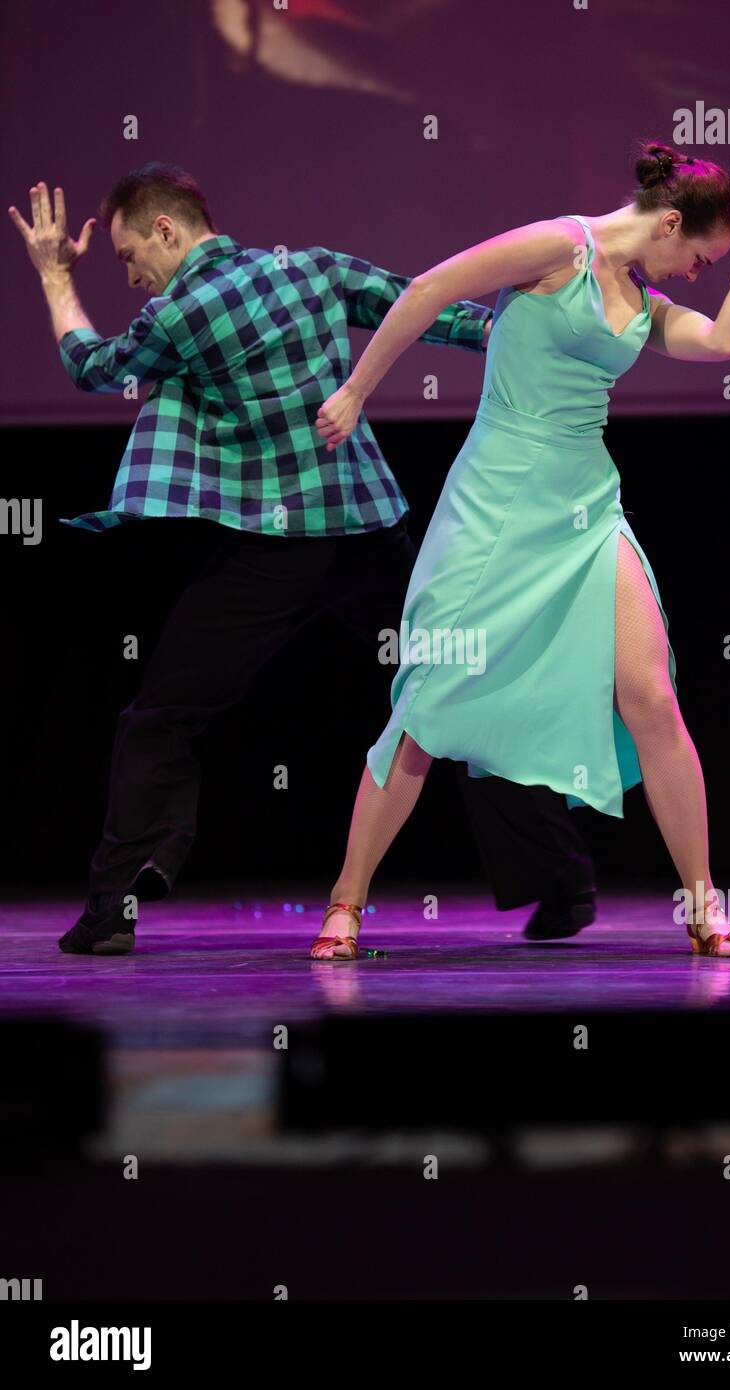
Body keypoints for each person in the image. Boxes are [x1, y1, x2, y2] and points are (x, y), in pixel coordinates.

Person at [8, 162, 598, 955]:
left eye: (125, 256)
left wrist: (53, 275)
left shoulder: (180, 312)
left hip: (270, 554)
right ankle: (562, 884)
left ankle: (116, 904)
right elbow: (428, 309)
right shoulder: (314, 268)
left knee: (163, 716)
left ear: (166, 231)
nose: (130, 274)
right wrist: (539, 329)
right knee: (463, 693)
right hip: (365, 532)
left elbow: (92, 367)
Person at [309, 139, 730, 961]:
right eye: (701, 255)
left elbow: (721, 344)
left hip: (586, 506)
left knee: (650, 697)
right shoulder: (559, 246)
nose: (696, 273)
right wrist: (357, 389)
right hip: (499, 500)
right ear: (671, 221)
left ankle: (703, 903)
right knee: (427, 706)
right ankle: (346, 904)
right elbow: (432, 288)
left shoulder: (641, 304)